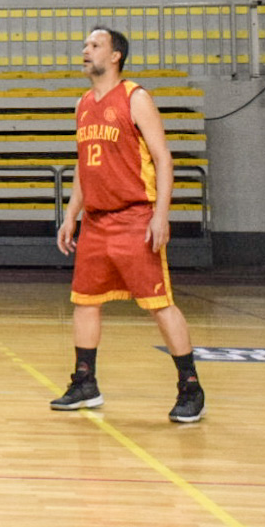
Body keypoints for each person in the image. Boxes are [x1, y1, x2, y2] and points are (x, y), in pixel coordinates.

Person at [52, 27, 204, 422]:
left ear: (115, 55)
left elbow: (164, 159)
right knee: (85, 302)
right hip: (97, 222)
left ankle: (190, 386)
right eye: (85, 45)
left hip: (135, 216)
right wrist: (71, 215)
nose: (85, 50)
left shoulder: (136, 98)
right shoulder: (83, 103)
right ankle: (85, 381)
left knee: (159, 304)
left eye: (94, 45)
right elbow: (85, 167)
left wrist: (160, 215)